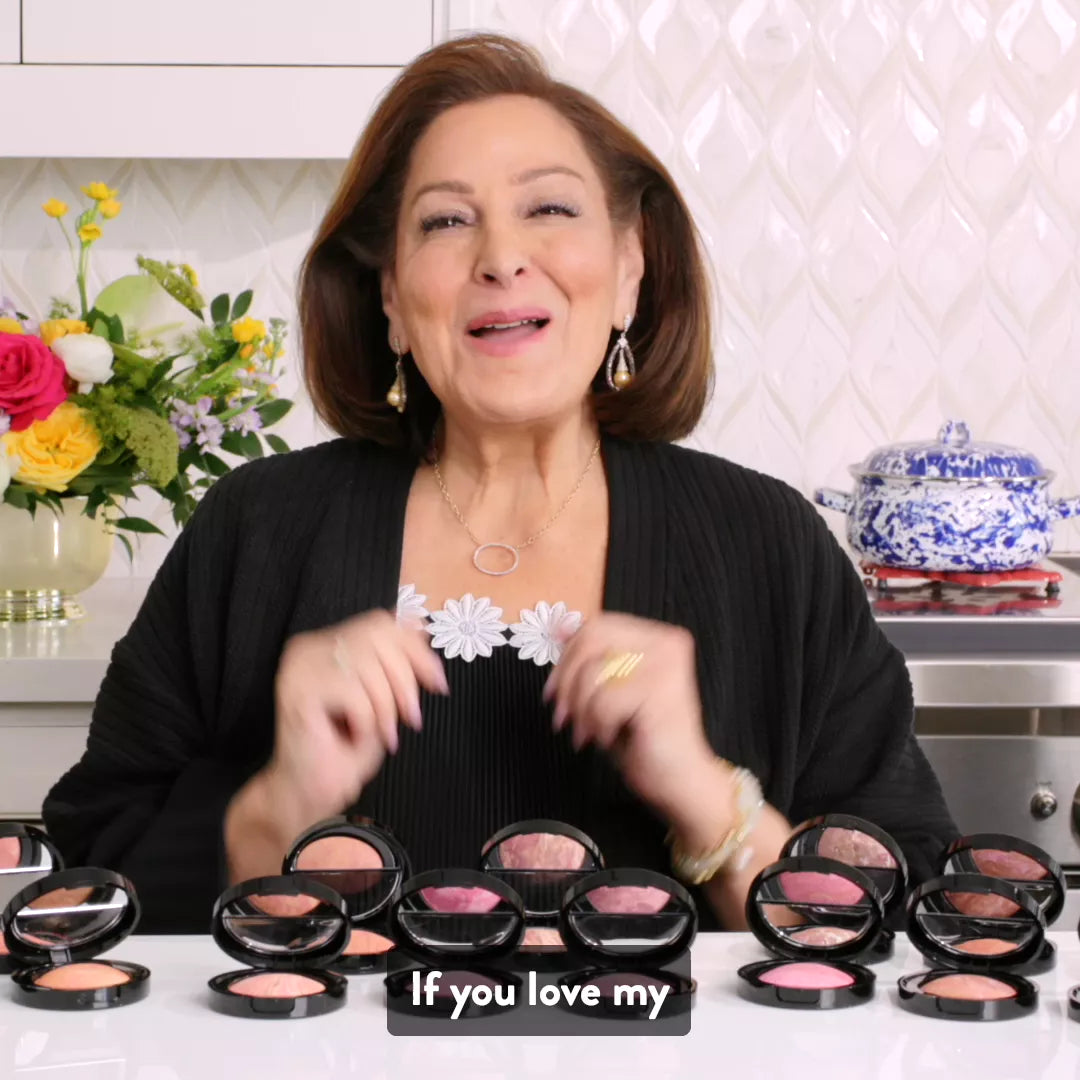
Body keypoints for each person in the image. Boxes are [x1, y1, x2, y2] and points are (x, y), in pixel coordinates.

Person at [42, 33, 956, 933]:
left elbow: (917, 922)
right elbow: (86, 879)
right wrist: (276, 809)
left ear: (631, 272)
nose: (501, 258)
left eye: (550, 209)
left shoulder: (770, 543)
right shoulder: (257, 527)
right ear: (393, 299)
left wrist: (709, 800)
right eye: (446, 220)